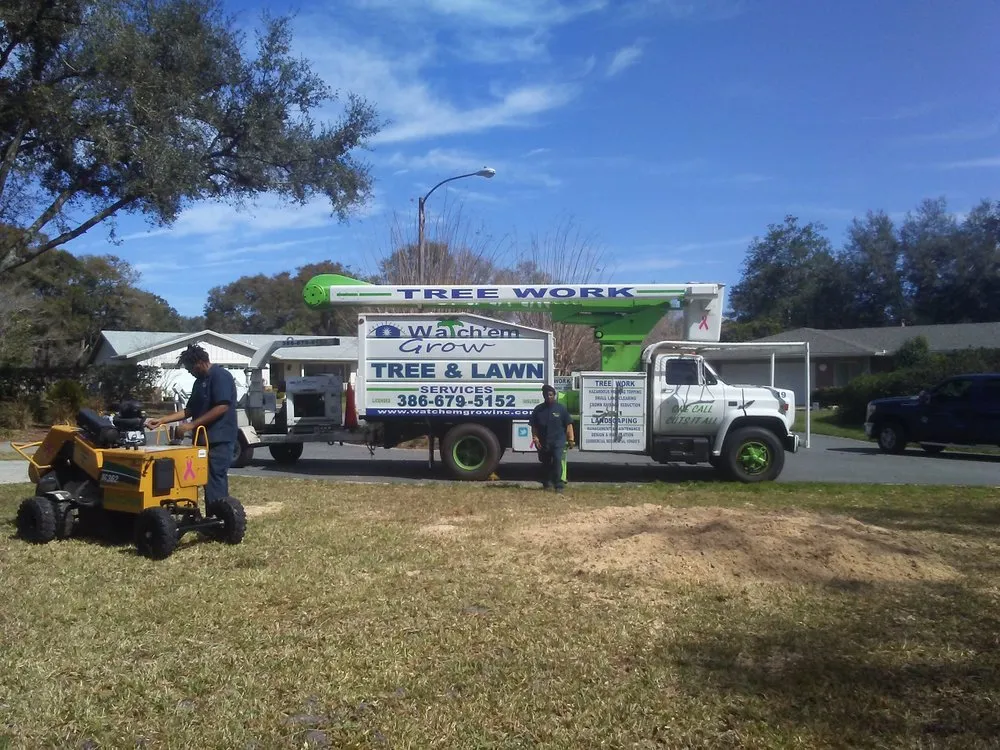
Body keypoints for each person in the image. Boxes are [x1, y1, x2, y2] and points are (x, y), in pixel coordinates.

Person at [146, 344, 238, 513]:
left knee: (215, 478)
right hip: (202, 440)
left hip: (219, 439)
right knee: (202, 478)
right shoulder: (199, 382)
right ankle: (211, 516)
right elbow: (189, 410)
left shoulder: (220, 376)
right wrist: (162, 420)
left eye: (190, 368)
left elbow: (222, 406)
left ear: (200, 362)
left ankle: (219, 519)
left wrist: (192, 424)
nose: (189, 371)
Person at [529, 384, 575, 492]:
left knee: (557, 460)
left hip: (558, 440)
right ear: (543, 396)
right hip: (544, 441)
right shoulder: (538, 409)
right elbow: (534, 426)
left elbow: (569, 425)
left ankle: (559, 485)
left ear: (554, 395)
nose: (548, 397)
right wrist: (535, 438)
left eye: (550, 395)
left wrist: (571, 439)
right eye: (546, 395)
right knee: (545, 462)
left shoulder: (561, 409)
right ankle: (547, 483)